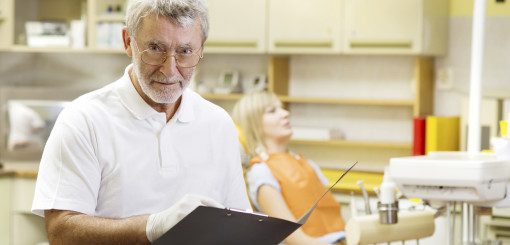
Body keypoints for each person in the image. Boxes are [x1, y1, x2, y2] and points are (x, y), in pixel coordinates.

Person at [31, 0, 250, 244]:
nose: (170, 70)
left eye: (185, 51)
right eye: (155, 48)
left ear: (201, 48)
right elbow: (61, 232)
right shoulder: (84, 120)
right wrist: (152, 226)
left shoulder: (218, 123)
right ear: (128, 41)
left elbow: (239, 222)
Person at [232, 92, 345, 245]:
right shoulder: (261, 172)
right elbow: (295, 239)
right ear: (254, 124)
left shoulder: (307, 163)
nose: (285, 113)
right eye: (272, 111)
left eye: (282, 109)